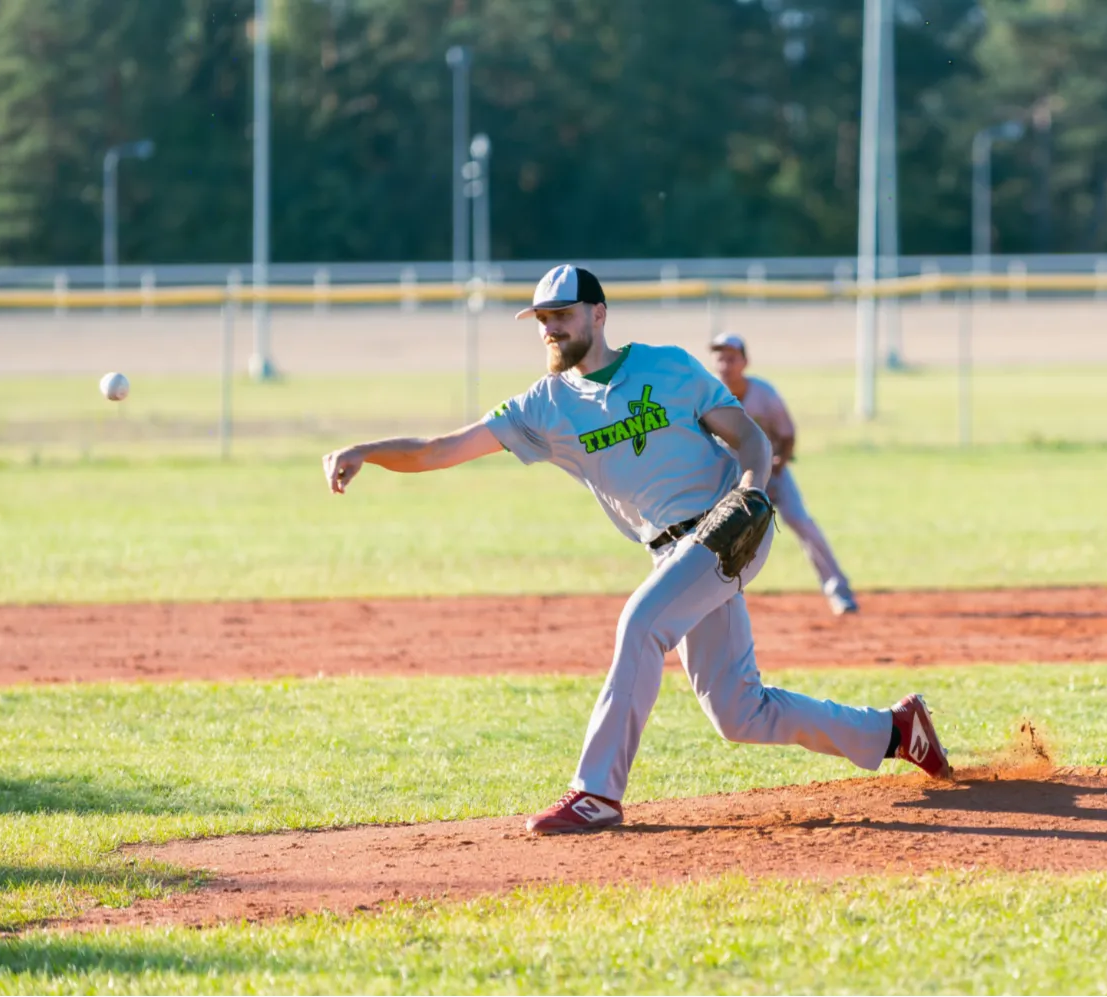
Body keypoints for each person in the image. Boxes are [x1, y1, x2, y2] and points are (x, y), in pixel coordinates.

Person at [322, 265, 952, 835]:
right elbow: (440, 449)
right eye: (543, 321)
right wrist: (367, 452)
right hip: (671, 553)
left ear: (598, 315)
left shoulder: (670, 367)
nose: (551, 330)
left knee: (641, 622)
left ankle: (596, 793)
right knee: (739, 712)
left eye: (563, 316)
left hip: (728, 528)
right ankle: (895, 730)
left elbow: (749, 437)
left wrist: (755, 495)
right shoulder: (545, 406)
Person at [707, 332, 859, 615]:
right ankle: (717, 602)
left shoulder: (763, 394)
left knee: (803, 523)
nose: (725, 364)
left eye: (731, 358)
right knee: (719, 536)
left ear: (745, 362)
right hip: (732, 481)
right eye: (720, 358)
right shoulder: (710, 395)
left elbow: (787, 435)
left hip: (773, 472)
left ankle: (839, 591)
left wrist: (778, 465)